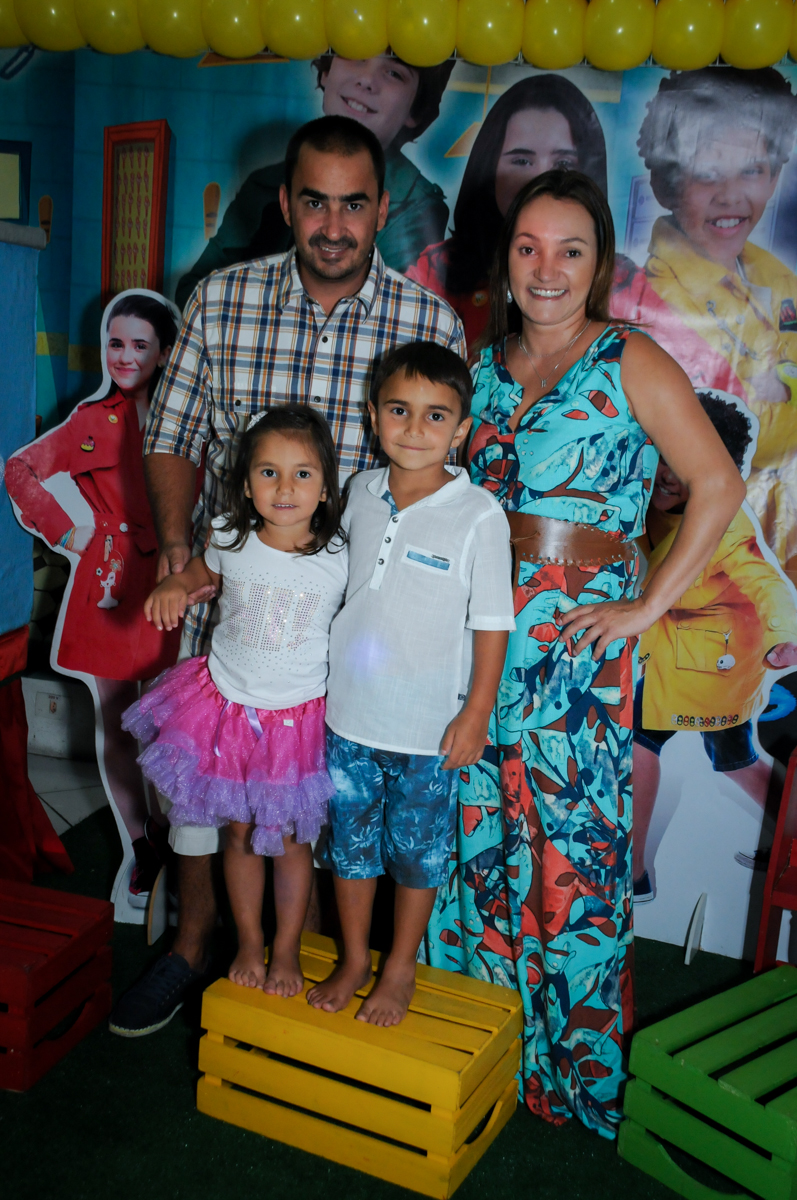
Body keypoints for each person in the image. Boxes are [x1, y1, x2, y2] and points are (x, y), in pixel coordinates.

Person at [108, 114, 464, 1038]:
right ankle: (194, 947)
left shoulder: (426, 321)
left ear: (384, 209)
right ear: (285, 203)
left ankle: (317, 959)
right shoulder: (222, 301)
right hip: (230, 607)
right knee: (204, 801)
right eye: (316, 202)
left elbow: (445, 484)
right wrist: (183, 555)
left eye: (355, 204)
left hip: (348, 641)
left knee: (318, 815)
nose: (335, 225)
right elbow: (173, 434)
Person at [425, 169, 746, 1137]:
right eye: (528, 247)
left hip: (574, 654)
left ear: (598, 262)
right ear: (505, 256)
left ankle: (569, 1077)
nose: (546, 268)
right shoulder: (478, 370)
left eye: (569, 249)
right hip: (475, 643)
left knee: (572, 864)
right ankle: (478, 1046)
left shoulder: (628, 358)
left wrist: (645, 607)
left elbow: (716, 485)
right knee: (474, 846)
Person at [306, 341, 514, 1025]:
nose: (415, 430)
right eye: (399, 411)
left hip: (428, 728)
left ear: (459, 430)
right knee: (351, 846)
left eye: (435, 417)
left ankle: (400, 968)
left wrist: (476, 710)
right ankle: (356, 958)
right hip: (348, 718)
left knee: (415, 853)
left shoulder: (478, 513)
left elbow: (491, 621)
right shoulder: (359, 491)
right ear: (373, 415)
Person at [120, 409, 347, 997]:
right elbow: (198, 575)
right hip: (225, 710)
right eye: (268, 472)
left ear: (326, 487)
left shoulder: (341, 554)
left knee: (293, 848)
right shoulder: (230, 536)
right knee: (240, 836)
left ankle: (287, 951)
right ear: (246, 484)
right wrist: (174, 584)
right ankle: (248, 940)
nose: (285, 488)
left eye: (303, 474)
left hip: (297, 725)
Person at [6, 292, 180, 911]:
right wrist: (67, 530)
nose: (127, 356)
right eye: (116, 342)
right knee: (115, 723)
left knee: (169, 723)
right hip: (107, 584)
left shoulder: (186, 415)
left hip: (171, 577)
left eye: (141, 344)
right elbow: (20, 471)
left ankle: (177, 839)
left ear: (165, 351)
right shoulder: (89, 418)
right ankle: (142, 845)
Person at [611, 67, 797, 587]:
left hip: (778, 556)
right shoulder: (634, 301)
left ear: (776, 175)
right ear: (666, 182)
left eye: (752, 170)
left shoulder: (780, 280)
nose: (730, 195)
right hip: (682, 564)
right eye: (708, 173)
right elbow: (753, 436)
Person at [632, 391, 797, 902]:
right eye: (663, 452)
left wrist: (786, 635)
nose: (667, 473)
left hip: (715, 660)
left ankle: (632, 874)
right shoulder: (645, 504)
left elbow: (765, 580)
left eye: (685, 463)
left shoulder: (726, 519)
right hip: (686, 653)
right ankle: (793, 843)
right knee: (737, 759)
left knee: (642, 739)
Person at [175, 55, 454, 309]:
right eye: (356, 56)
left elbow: (393, 315)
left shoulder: (417, 204)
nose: (367, 81)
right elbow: (194, 293)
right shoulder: (265, 184)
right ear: (326, 71)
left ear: (415, 109)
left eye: (394, 73)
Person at [407, 74, 607, 348]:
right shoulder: (432, 275)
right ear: (489, 167)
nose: (541, 179)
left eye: (562, 163)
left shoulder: (628, 291)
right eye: (522, 160)